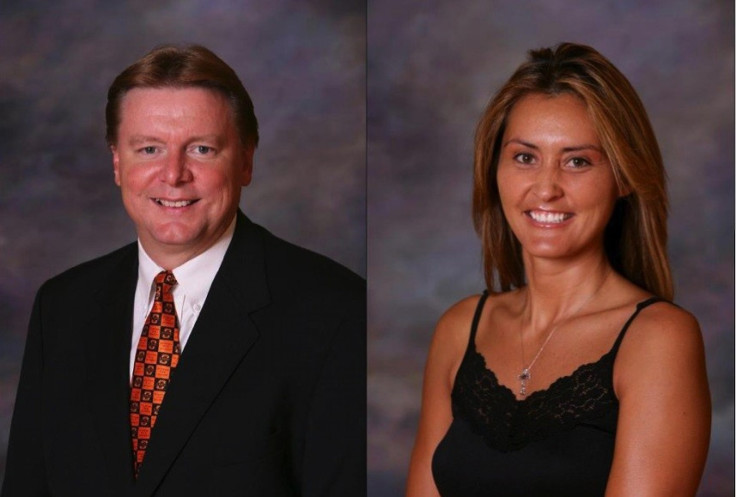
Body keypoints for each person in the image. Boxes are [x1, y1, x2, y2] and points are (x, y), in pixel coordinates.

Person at [2, 44, 365, 496]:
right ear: (117, 162)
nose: (173, 175)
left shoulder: (336, 312)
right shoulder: (62, 307)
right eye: (149, 148)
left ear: (246, 160)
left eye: (202, 149)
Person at [406, 43, 710, 496]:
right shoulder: (458, 328)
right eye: (525, 157)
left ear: (623, 177)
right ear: (495, 169)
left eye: (577, 161)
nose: (545, 189)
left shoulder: (658, 339)